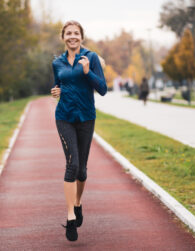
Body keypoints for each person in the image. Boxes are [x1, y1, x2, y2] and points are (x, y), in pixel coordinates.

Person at [50, 20, 107, 242]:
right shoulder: (57, 62)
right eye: (68, 33)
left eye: (76, 33)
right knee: (72, 164)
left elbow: (102, 89)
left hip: (86, 117)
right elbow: (58, 86)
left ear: (81, 36)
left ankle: (78, 202)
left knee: (82, 170)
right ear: (63, 37)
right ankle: (70, 216)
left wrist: (87, 72)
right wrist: (55, 91)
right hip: (64, 117)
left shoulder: (91, 58)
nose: (72, 36)